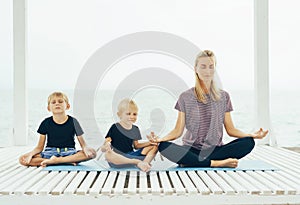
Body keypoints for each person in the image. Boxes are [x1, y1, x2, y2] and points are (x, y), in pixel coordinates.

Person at [150, 50, 268, 168]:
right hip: (191, 150)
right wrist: (161, 139)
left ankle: (195, 161)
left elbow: (231, 130)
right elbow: (178, 131)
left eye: (211, 67)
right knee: (164, 146)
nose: (207, 71)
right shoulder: (185, 97)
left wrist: (252, 135)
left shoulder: (224, 97)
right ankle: (215, 163)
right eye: (203, 66)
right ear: (196, 69)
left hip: (216, 150)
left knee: (248, 142)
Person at [19, 91, 96, 167]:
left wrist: (86, 149)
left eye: (60, 101)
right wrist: (30, 154)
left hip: (69, 152)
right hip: (50, 153)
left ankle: (57, 161)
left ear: (67, 106)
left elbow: (83, 145)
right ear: (49, 108)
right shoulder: (45, 122)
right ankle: (64, 161)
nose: (57, 103)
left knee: (93, 153)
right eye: (53, 102)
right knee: (22, 159)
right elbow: (39, 147)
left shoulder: (73, 122)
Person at [100, 98, 158, 172]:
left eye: (134, 114)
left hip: (131, 156)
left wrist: (150, 142)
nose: (132, 117)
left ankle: (144, 164)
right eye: (128, 114)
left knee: (154, 146)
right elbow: (103, 147)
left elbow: (136, 146)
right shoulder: (115, 127)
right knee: (107, 155)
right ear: (119, 115)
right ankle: (137, 163)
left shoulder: (135, 129)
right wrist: (106, 146)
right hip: (118, 159)